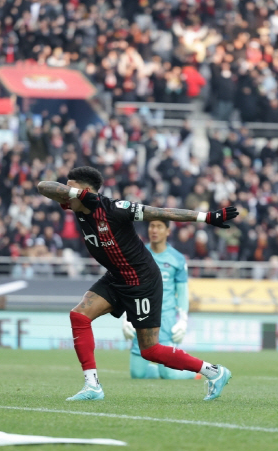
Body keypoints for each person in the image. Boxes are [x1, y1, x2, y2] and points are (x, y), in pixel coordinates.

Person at [37, 167, 237, 401]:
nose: (64, 194)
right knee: (79, 316)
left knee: (150, 351)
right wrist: (78, 195)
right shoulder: (78, 206)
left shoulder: (114, 209)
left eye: (70, 188)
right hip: (116, 277)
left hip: (142, 281)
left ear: (86, 190)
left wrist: (207, 217)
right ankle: (92, 387)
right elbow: (43, 186)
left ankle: (214, 372)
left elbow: (161, 212)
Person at [122, 219, 200, 380]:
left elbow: (182, 292)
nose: (154, 230)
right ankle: (154, 368)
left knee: (168, 373)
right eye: (152, 226)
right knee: (137, 374)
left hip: (166, 320)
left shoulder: (177, 259)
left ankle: (193, 374)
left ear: (168, 231)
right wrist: (126, 316)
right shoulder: (137, 255)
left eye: (159, 226)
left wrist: (183, 320)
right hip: (141, 319)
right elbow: (129, 288)